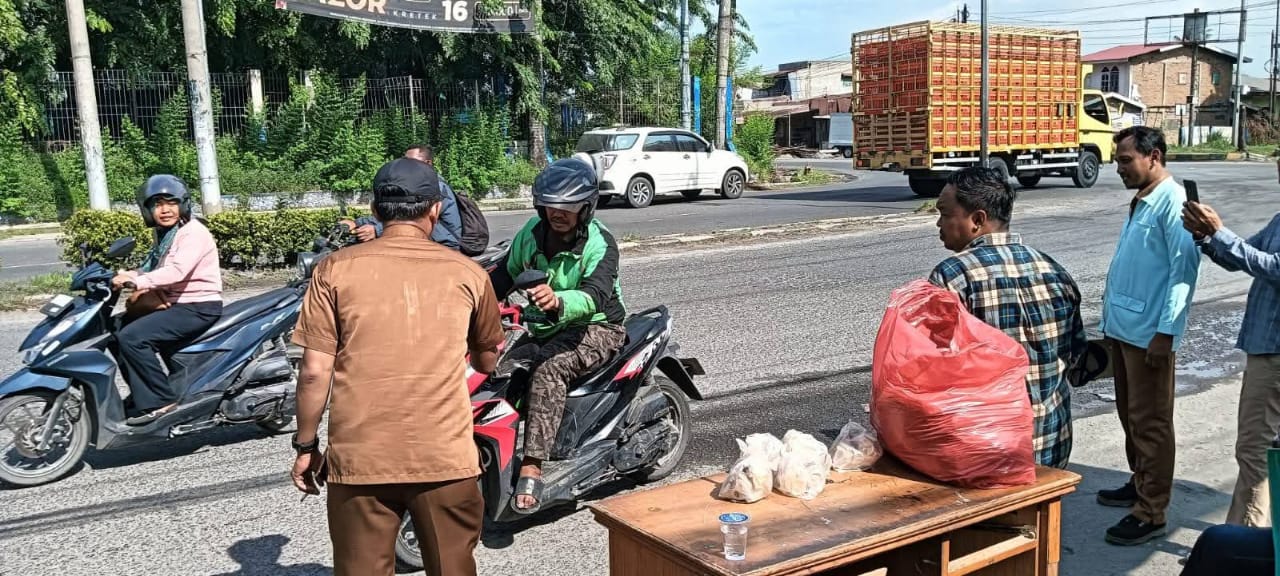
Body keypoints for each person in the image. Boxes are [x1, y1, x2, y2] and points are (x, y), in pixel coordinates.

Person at [289, 158, 504, 576]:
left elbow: (315, 371)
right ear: (435, 210)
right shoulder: (468, 272)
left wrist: (305, 446)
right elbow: (487, 356)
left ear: (375, 210)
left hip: (360, 460)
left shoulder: (334, 269)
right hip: (445, 457)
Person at [489, 157, 627, 514]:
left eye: (567, 206)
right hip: (547, 325)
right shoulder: (531, 235)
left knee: (549, 369)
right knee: (496, 368)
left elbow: (595, 294)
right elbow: (502, 277)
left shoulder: (601, 244)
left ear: (586, 207)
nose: (557, 213)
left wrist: (557, 300)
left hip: (597, 327)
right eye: (550, 205)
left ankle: (533, 463)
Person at [927, 166, 1087, 469]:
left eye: (945, 214)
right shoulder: (1054, 270)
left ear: (977, 220)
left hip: (986, 451)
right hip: (1052, 445)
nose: (939, 223)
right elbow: (1076, 355)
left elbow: (932, 373)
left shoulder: (952, 276)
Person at [1097, 125, 1201, 546]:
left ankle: (1151, 510)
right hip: (1125, 331)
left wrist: (1167, 332)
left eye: (1125, 160)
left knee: (1151, 423)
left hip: (1149, 336)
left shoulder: (1173, 203)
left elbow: (1183, 274)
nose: (1118, 167)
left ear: (1154, 156)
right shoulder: (1143, 199)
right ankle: (1140, 482)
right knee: (1131, 417)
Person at [1182, 160, 1280, 528]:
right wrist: (1207, 237)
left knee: (1255, 450)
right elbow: (1241, 258)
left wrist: (1219, 232)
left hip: (1275, 354)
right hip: (1267, 347)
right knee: (1266, 450)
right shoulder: (1278, 219)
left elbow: (1274, 268)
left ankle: (1245, 542)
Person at [111, 175, 223, 426]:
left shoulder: (193, 233)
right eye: (157, 204)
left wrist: (137, 282)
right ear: (148, 209)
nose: (164, 210)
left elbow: (176, 272)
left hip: (198, 306)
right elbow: (152, 268)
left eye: (170, 203)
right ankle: (143, 394)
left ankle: (160, 401)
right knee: (116, 328)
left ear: (182, 204)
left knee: (133, 337)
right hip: (176, 303)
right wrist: (123, 275)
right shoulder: (168, 234)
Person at [343, 144, 463, 249]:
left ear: (428, 163)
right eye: (405, 161)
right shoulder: (414, 183)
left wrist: (377, 230)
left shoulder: (434, 186)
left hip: (445, 244)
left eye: (412, 162)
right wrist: (357, 223)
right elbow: (393, 208)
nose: (405, 166)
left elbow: (411, 217)